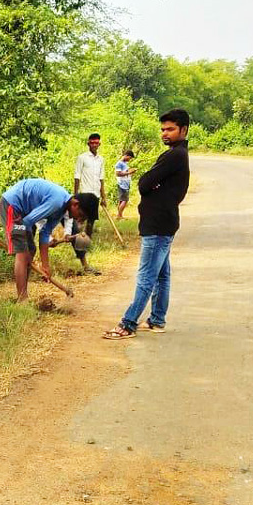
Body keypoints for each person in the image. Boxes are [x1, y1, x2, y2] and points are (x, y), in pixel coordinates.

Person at [104, 110, 191, 339]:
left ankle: (128, 324)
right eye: (162, 129)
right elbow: (154, 185)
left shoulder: (174, 156)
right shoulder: (176, 155)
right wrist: (154, 186)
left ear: (183, 129)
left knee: (146, 276)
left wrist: (151, 185)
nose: (165, 133)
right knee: (162, 275)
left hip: (158, 224)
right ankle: (157, 320)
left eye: (170, 129)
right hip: (164, 222)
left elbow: (144, 183)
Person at [0, 178, 100, 301]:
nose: (79, 219)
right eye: (81, 215)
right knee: (23, 253)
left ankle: (23, 294)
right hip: (11, 206)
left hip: (23, 214)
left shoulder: (61, 209)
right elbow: (27, 222)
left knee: (31, 250)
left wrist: (45, 266)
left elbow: (44, 233)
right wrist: (22, 239)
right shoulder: (57, 202)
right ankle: (22, 299)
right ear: (75, 204)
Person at [72, 133, 105, 275]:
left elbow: (102, 178)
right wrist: (75, 195)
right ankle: (79, 241)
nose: (94, 145)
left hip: (95, 194)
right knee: (79, 221)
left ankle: (86, 244)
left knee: (91, 222)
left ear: (99, 144)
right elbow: (77, 176)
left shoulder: (101, 160)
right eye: (92, 143)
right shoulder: (82, 158)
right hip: (84, 194)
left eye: (96, 143)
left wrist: (104, 197)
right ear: (88, 144)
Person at [115, 148, 135, 220]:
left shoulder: (125, 164)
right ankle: (119, 216)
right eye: (129, 157)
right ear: (126, 155)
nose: (129, 159)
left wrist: (131, 172)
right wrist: (129, 172)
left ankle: (119, 215)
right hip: (122, 184)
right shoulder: (119, 163)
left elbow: (125, 172)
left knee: (121, 200)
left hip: (126, 184)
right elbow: (118, 174)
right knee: (125, 200)